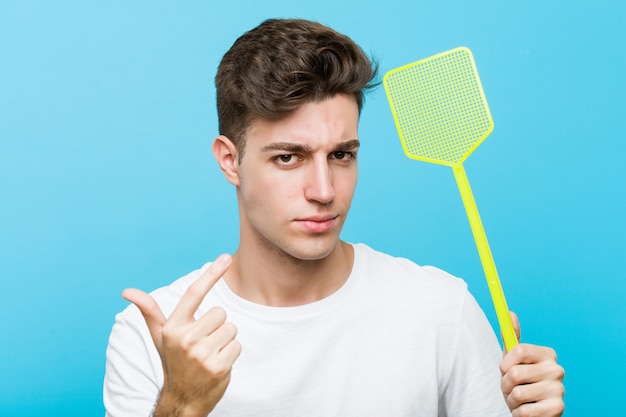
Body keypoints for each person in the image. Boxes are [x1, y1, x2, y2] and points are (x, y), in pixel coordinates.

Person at [104, 18, 565, 417]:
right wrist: (181, 405)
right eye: (289, 158)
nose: (324, 191)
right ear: (230, 161)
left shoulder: (441, 311)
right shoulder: (155, 336)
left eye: (342, 154)